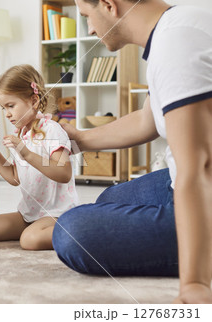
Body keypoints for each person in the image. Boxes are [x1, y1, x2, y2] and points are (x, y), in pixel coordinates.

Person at [52, 0, 212, 303]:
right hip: (192, 178)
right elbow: (146, 120)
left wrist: (195, 284)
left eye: (86, 16)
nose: (90, 28)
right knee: (111, 198)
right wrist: (78, 140)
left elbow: (200, 166)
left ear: (109, 5)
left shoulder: (177, 44)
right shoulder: (171, 30)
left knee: (71, 231)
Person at [0, 64, 78, 250]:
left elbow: (64, 173)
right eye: (3, 108)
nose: (7, 114)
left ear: (34, 100)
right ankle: (35, 227)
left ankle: (79, 230)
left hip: (57, 213)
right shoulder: (20, 135)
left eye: (11, 106)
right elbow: (15, 178)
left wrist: (27, 153)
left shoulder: (52, 130)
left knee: (29, 240)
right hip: (29, 213)